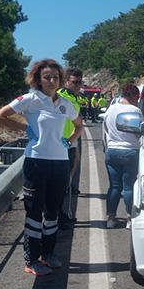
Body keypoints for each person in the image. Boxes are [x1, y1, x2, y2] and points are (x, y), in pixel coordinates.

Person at [0, 59, 83, 276]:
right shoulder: (30, 100)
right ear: (38, 80)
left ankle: (48, 254)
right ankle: (31, 259)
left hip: (60, 163)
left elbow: (79, 125)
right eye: (47, 77)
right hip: (36, 162)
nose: (52, 81)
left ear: (61, 80)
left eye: (56, 77)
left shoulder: (64, 104)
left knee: (52, 212)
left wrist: (69, 141)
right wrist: (24, 128)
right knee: (34, 212)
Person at [103, 84, 141, 229]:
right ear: (132, 96)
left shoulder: (111, 109)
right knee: (128, 187)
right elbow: (139, 131)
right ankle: (130, 218)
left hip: (112, 151)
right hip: (130, 151)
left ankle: (111, 218)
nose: (138, 101)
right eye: (137, 98)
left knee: (114, 186)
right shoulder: (135, 110)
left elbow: (105, 127)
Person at [57, 68, 84, 228]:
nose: (77, 85)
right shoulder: (61, 96)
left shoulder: (73, 97)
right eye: (74, 82)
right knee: (61, 183)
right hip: (61, 144)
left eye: (80, 82)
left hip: (70, 142)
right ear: (66, 81)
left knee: (65, 180)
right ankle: (58, 216)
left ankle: (61, 215)